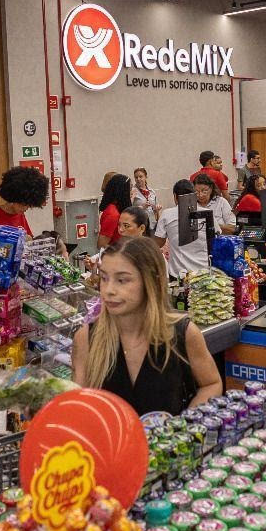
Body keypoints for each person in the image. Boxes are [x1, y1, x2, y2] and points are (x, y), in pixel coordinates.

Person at [72, 237, 222, 414]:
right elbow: (79, 405)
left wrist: (186, 423)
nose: (108, 290)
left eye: (122, 280)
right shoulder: (86, 338)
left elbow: (211, 384)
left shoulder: (183, 334)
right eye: (104, 278)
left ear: (151, 282)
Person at [158, 177, 236, 277]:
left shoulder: (166, 214)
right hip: (204, 273)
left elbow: (159, 242)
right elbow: (216, 239)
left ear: (175, 196)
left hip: (179, 274)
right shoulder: (208, 214)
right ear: (194, 195)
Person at [0, 166, 50, 233]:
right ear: (14, 197)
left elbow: (29, 236)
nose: (26, 209)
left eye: (29, 205)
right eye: (24, 204)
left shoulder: (20, 215)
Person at [97, 173, 134, 250]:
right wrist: (120, 252)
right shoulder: (112, 214)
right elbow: (101, 245)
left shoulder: (118, 209)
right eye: (130, 189)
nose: (132, 192)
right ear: (122, 191)